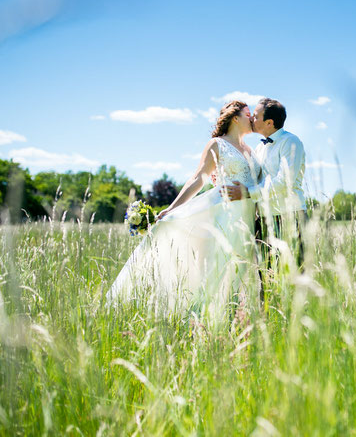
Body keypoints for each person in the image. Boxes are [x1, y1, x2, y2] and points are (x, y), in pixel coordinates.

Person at [106, 100, 261, 322]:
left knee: (240, 274)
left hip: (246, 218)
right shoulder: (217, 144)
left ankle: (233, 323)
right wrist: (172, 209)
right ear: (235, 118)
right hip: (222, 214)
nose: (252, 119)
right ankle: (199, 324)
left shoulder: (252, 150)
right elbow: (199, 178)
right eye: (248, 115)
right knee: (217, 272)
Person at [223, 98, 306, 302]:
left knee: (295, 275)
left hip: (290, 217)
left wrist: (248, 193)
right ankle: (270, 324)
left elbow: (282, 182)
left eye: (257, 116)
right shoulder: (259, 148)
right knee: (267, 277)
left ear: (269, 123)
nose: (252, 118)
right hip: (265, 219)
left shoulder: (291, 142)